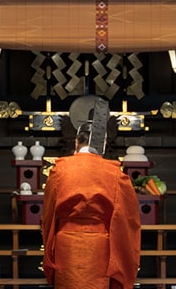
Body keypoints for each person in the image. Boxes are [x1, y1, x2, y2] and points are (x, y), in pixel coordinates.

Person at [40, 97, 141, 289]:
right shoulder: (114, 173)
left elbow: (48, 216)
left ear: (76, 143)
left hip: (66, 246)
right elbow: (127, 218)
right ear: (103, 142)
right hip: (99, 246)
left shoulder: (59, 170)